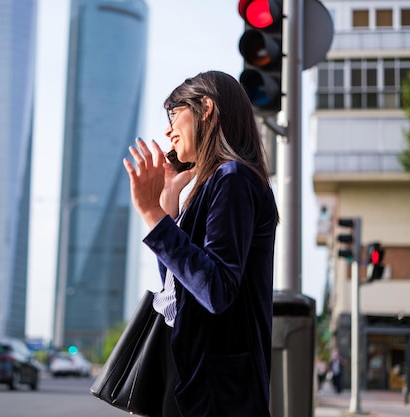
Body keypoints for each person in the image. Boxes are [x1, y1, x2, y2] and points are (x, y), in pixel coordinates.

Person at [123, 71, 279, 417]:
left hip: (217, 390)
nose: (168, 130)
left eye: (174, 112)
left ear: (206, 107)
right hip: (194, 373)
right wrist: (167, 207)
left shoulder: (234, 178)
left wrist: (153, 215)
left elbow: (216, 289)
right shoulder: (214, 184)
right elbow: (178, 288)